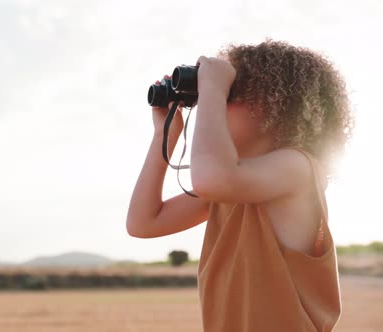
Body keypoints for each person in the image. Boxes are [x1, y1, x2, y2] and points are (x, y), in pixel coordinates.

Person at [126, 39, 354, 331]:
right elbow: (143, 222)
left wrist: (211, 87)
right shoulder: (228, 189)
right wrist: (165, 136)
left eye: (229, 95)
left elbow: (213, 177)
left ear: (274, 107)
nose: (215, 105)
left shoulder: (297, 169)